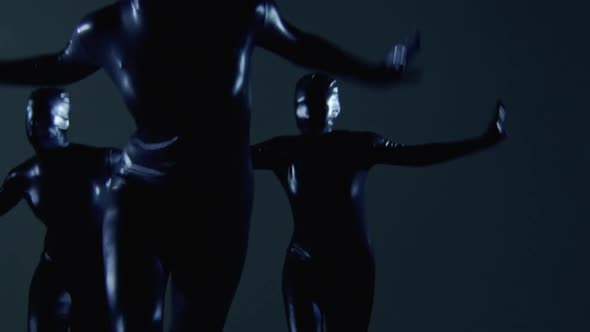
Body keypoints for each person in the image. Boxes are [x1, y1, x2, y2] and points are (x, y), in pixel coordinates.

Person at [0, 1, 421, 330]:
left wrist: (376, 71)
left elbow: (300, 44)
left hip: (219, 205)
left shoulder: (238, 9)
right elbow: (57, 65)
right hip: (138, 197)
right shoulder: (105, 29)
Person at [251, 73, 507, 332]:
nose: (308, 109)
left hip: (348, 269)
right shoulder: (285, 150)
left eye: (318, 100)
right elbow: (227, 154)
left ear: (334, 107)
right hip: (305, 265)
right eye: (304, 102)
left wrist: (480, 142)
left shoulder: (352, 145)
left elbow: (418, 155)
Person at [0, 88, 126, 332]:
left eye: (36, 118)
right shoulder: (25, 175)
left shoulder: (103, 161)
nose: (31, 126)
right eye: (30, 118)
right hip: (57, 275)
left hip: (92, 278)